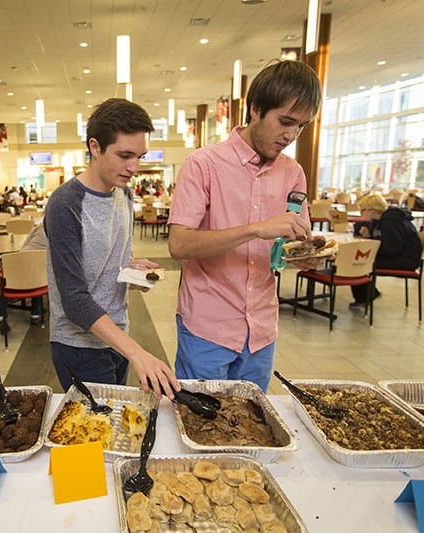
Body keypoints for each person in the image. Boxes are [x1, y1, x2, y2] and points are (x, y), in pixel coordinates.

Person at [167, 60, 323, 392]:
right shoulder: (203, 164)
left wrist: (305, 256)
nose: (291, 135)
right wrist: (255, 229)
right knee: (200, 428)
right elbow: (179, 245)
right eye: (285, 121)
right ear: (255, 109)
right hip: (207, 328)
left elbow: (291, 246)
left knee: (252, 428)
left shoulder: (292, 173)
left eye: (301, 126)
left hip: (262, 331)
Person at [44, 98, 180, 399]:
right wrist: (139, 353)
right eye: (124, 155)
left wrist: (131, 269)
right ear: (95, 147)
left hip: (117, 335)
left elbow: (105, 262)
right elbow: (75, 299)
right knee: (94, 434)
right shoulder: (66, 204)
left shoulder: (124, 194)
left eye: (140, 157)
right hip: (79, 347)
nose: (135, 167)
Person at [349, 193, 422, 307]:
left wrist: (371, 250)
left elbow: (392, 248)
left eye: (363, 210)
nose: (361, 213)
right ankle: (366, 296)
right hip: (399, 256)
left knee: (358, 263)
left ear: (372, 210)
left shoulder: (391, 222)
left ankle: (368, 295)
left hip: (405, 260)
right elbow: (383, 240)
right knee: (359, 261)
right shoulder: (383, 220)